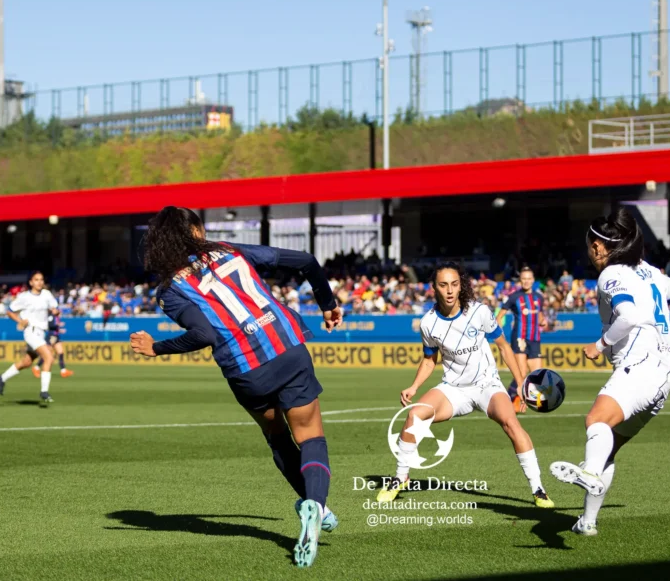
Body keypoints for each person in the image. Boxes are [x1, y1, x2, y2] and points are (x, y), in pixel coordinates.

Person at [128, 206, 343, 568]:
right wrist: (328, 304)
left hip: (246, 370)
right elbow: (306, 260)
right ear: (196, 231)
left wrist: (156, 348)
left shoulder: (168, 291)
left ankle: (317, 508)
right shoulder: (229, 250)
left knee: (277, 437)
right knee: (311, 437)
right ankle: (316, 506)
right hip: (287, 348)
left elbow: (204, 334)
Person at [548, 208, 670, 537]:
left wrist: (599, 345)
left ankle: (591, 473)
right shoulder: (647, 271)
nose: (590, 252)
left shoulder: (611, 275)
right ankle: (588, 521)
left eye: (590, 246)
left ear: (598, 247)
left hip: (640, 365)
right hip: (665, 374)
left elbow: (629, 317)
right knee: (608, 446)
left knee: (596, 421)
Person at [376, 262, 554, 509]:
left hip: (487, 385)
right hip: (454, 389)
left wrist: (522, 383)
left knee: (511, 422)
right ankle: (400, 478)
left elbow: (504, 346)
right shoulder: (428, 323)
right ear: (434, 288)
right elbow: (429, 360)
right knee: (415, 414)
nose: (449, 290)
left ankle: (538, 489)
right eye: (443, 285)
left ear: (461, 286)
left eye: (454, 284)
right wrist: (414, 386)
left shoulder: (479, 312)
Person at [0, 271, 60, 406]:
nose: (39, 282)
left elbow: (55, 308)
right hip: (31, 331)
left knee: (27, 362)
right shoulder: (24, 297)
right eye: (36, 280)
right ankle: (44, 391)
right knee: (49, 357)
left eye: (41, 279)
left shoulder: (47, 294)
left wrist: (55, 311)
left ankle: (2, 378)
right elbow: (10, 310)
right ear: (31, 282)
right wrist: (20, 320)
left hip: (42, 332)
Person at [497, 266, 549, 412]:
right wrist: (498, 329)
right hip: (519, 337)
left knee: (537, 373)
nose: (526, 282)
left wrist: (542, 320)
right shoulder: (514, 297)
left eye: (529, 279)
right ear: (520, 281)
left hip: (534, 338)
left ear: (533, 280)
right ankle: (515, 400)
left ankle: (515, 398)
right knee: (521, 371)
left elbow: (539, 314)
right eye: (523, 279)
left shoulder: (539, 297)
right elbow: (500, 316)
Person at [32, 313, 74, 378]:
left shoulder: (56, 317)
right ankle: (36, 367)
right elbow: (50, 325)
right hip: (51, 336)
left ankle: (63, 371)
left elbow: (55, 328)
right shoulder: (51, 316)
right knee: (47, 353)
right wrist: (58, 324)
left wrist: (60, 330)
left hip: (56, 336)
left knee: (61, 352)